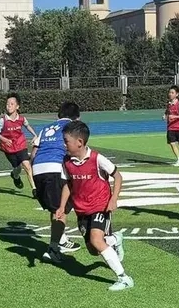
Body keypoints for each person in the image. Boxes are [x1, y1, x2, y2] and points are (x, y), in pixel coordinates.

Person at [55, 121, 133, 291]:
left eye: (66, 141)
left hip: (100, 205)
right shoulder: (66, 161)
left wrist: (113, 199)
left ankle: (124, 278)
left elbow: (117, 176)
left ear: (79, 142)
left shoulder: (97, 159)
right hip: (81, 210)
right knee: (93, 250)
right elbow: (67, 184)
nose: (64, 144)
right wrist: (61, 207)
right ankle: (115, 239)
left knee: (96, 240)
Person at [30, 102, 83, 260]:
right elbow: (76, 150)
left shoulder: (45, 128)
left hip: (38, 169)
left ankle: (61, 239)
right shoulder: (72, 127)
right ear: (76, 117)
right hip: (55, 168)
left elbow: (33, 154)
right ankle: (53, 248)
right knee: (62, 209)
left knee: (55, 209)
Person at [0, 92, 38, 196]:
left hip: (20, 145)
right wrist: (4, 139)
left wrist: (35, 135)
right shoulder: (2, 120)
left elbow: (27, 126)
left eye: (12, 104)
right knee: (17, 168)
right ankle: (15, 176)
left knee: (27, 165)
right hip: (9, 148)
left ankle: (34, 189)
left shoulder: (22, 119)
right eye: (7, 104)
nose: (9, 106)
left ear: (17, 106)